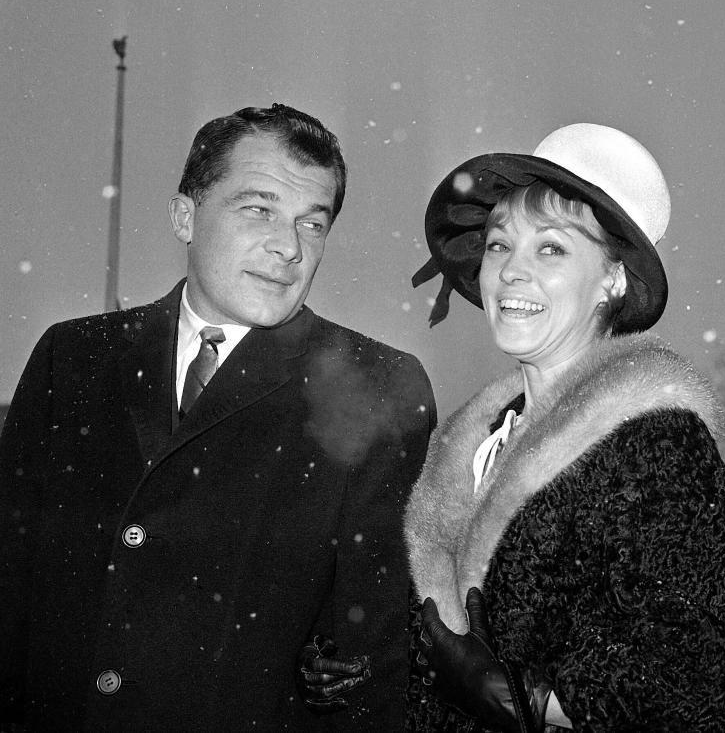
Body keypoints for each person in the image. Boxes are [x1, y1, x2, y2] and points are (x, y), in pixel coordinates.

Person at [0, 104, 436, 733]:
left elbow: (376, 658)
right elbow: (12, 587)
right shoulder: (72, 361)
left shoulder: (379, 389)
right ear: (185, 216)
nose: (288, 247)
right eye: (258, 209)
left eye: (312, 224)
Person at [404, 123, 725, 732]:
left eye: (551, 248)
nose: (511, 271)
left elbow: (712, 677)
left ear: (613, 279)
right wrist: (365, 665)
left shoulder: (652, 440)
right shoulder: (476, 441)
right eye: (499, 245)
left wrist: (533, 698)